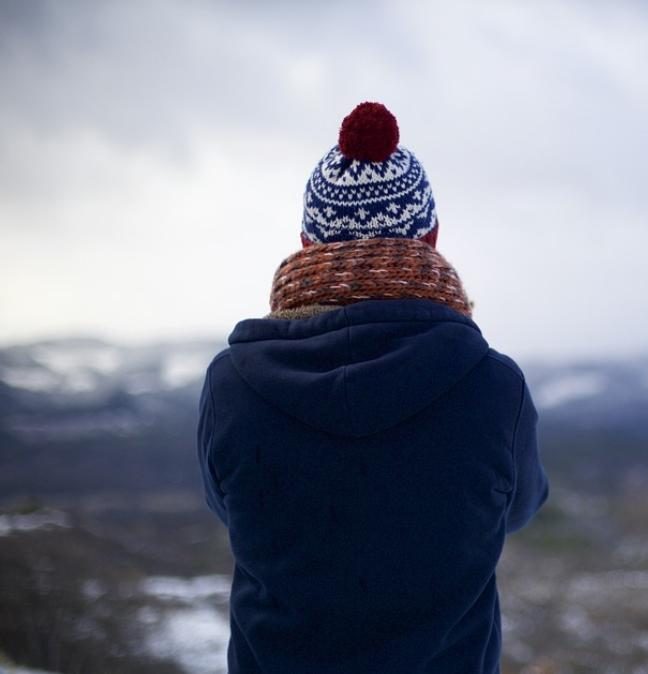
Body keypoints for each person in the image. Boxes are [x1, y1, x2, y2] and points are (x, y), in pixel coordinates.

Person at [196, 101, 550, 673]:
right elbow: (518, 507)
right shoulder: (493, 386)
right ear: (430, 238)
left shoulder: (232, 384)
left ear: (308, 242)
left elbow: (228, 506)